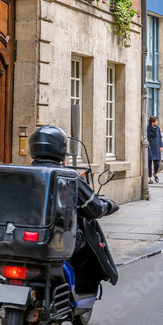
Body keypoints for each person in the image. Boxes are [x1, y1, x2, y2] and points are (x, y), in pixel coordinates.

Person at [28, 124, 119, 293]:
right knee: (87, 251)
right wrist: (109, 204)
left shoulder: (23, 174)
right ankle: (80, 292)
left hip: (22, 239)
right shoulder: (69, 176)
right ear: (61, 149)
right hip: (56, 240)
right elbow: (94, 209)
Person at [146, 116, 163, 183]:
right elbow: (147, 137)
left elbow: (160, 137)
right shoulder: (147, 128)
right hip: (150, 146)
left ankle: (155, 173)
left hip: (157, 147)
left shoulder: (158, 128)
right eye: (156, 121)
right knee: (149, 163)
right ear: (152, 122)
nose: (157, 122)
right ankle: (150, 178)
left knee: (157, 163)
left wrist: (161, 146)